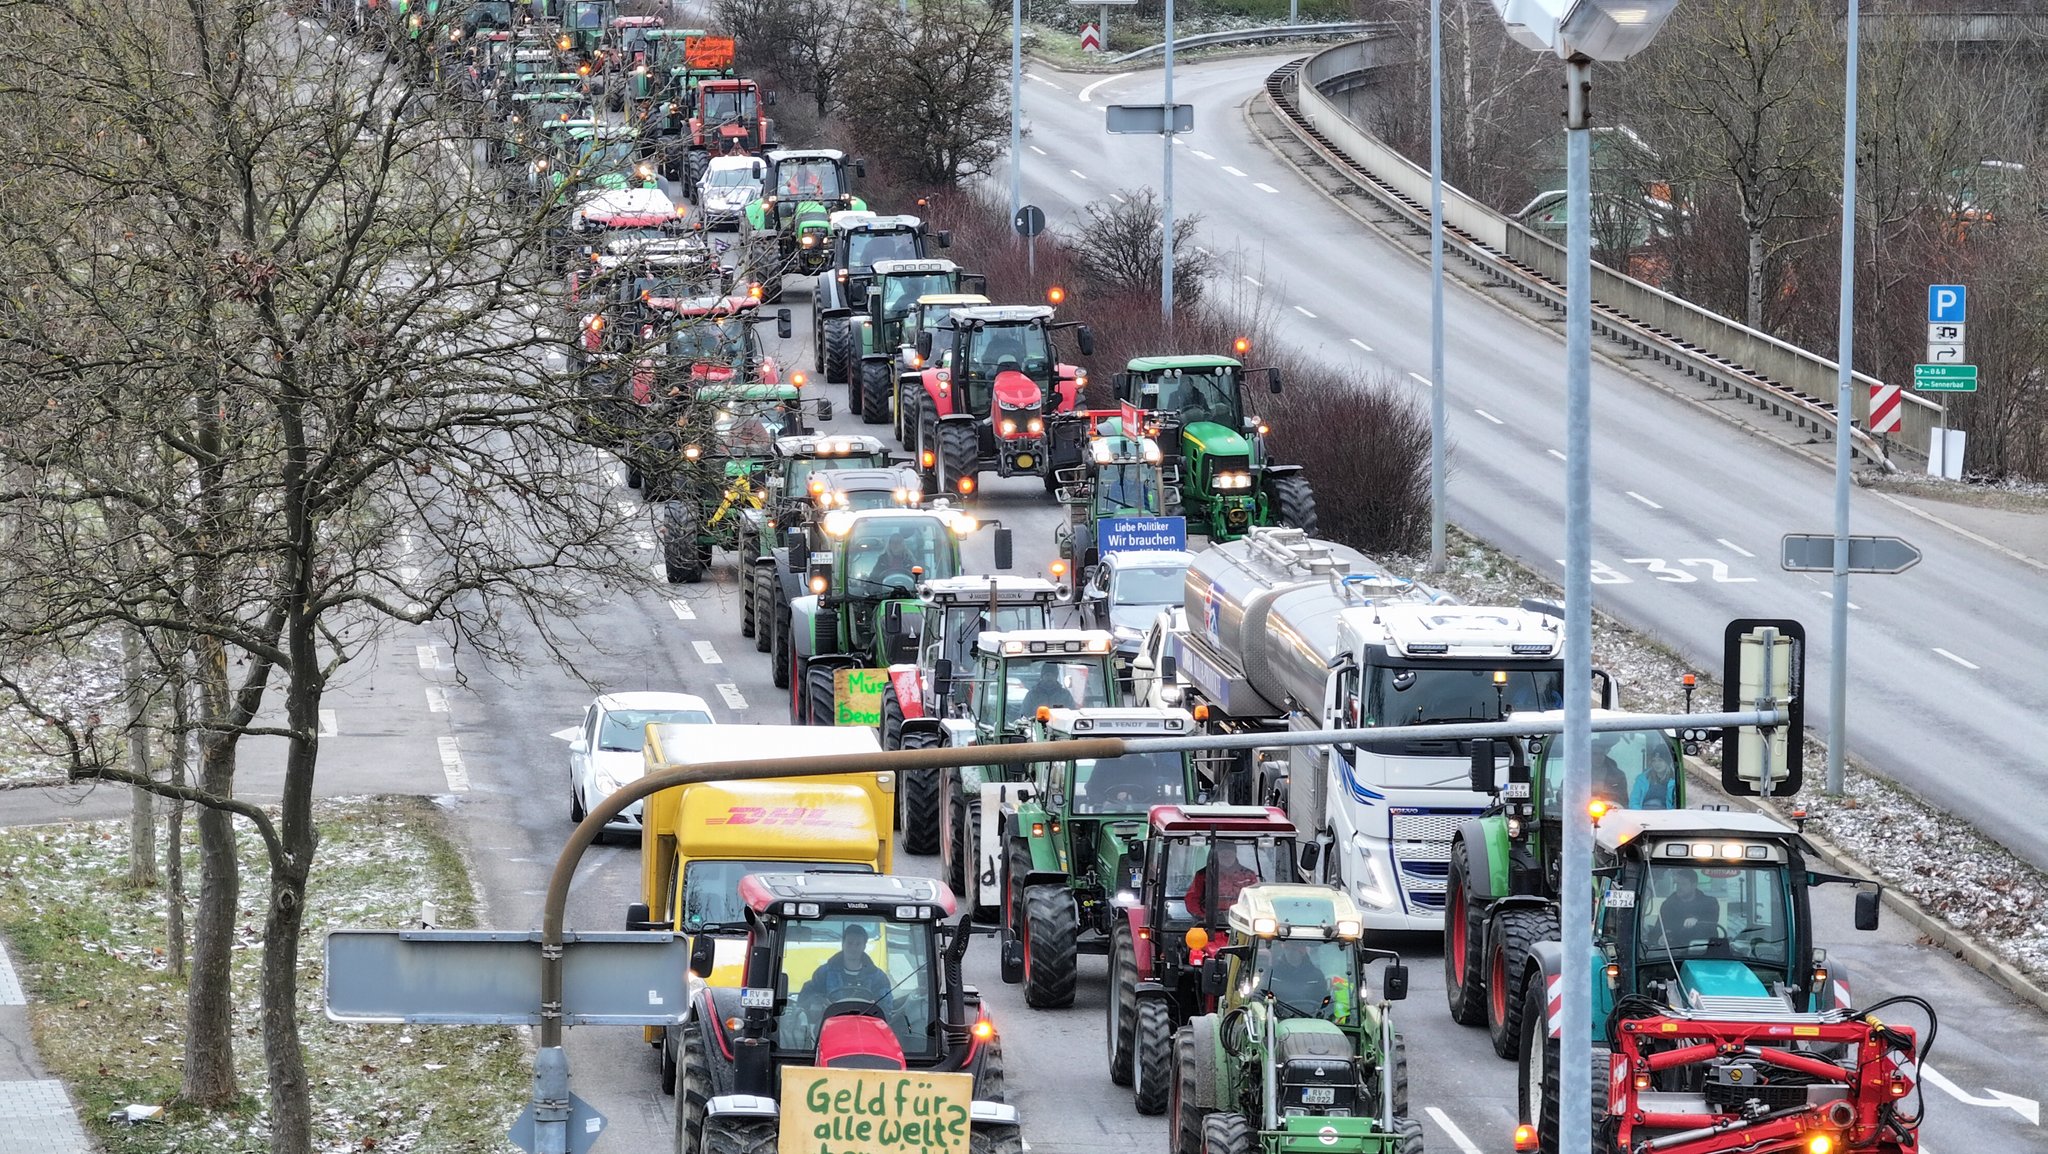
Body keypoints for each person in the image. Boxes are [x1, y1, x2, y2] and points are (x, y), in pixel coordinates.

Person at [799, 924, 894, 1011]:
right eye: (850, 943)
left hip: (866, 1025)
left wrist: (876, 1006)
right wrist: (820, 1001)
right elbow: (806, 997)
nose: (853, 948)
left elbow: (887, 1005)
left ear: (864, 946)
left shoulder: (878, 977)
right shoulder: (824, 973)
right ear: (843, 944)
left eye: (858, 944)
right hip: (830, 1024)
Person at [1258, 939, 1335, 1017]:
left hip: (1310, 1019)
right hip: (1277, 1020)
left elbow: (1325, 1000)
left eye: (1294, 950)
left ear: (1302, 952)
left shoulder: (1316, 976)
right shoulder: (1272, 974)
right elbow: (1258, 996)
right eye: (1288, 949)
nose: (1291, 953)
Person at [1184, 843, 1262, 920]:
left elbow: (1256, 899)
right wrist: (1203, 916)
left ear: (1235, 855)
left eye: (1229, 854)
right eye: (1223, 854)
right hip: (1211, 922)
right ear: (1216, 856)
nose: (1226, 857)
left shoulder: (1248, 875)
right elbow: (1192, 899)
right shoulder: (1204, 875)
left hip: (1241, 920)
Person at [1653, 868, 1720, 949]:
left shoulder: (1710, 903)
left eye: (1683, 884)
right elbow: (1658, 928)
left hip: (1704, 951)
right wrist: (1659, 938)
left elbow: (1711, 923)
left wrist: (1697, 919)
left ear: (1694, 885)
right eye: (1677, 884)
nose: (1679, 887)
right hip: (1674, 952)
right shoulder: (1668, 905)